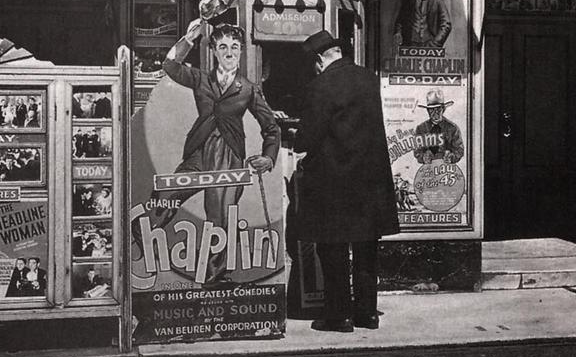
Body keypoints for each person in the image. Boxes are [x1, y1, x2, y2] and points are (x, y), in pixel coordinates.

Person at [137, 17, 281, 287]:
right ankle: (142, 241)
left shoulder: (248, 88)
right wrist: (188, 38)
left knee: (221, 218)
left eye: (235, 47)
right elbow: (170, 66)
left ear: (240, 51)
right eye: (223, 47)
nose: (229, 53)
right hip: (199, 151)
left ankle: (214, 278)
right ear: (214, 51)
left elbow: (271, 128)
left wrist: (268, 157)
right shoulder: (200, 78)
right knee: (166, 195)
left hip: (229, 156)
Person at [295, 30, 400, 332]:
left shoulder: (321, 85)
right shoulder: (369, 79)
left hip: (335, 182)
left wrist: (296, 136)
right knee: (366, 249)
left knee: (333, 248)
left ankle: (338, 316)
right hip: (370, 180)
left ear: (319, 60)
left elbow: (307, 138)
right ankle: (367, 314)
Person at [412, 89, 465, 164]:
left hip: (448, 170)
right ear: (427, 111)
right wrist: (423, 157)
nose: (435, 112)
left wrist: (451, 156)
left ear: (443, 109)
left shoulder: (453, 128)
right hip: (427, 170)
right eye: (431, 110)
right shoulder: (421, 129)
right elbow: (417, 152)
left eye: (438, 109)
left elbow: (460, 150)